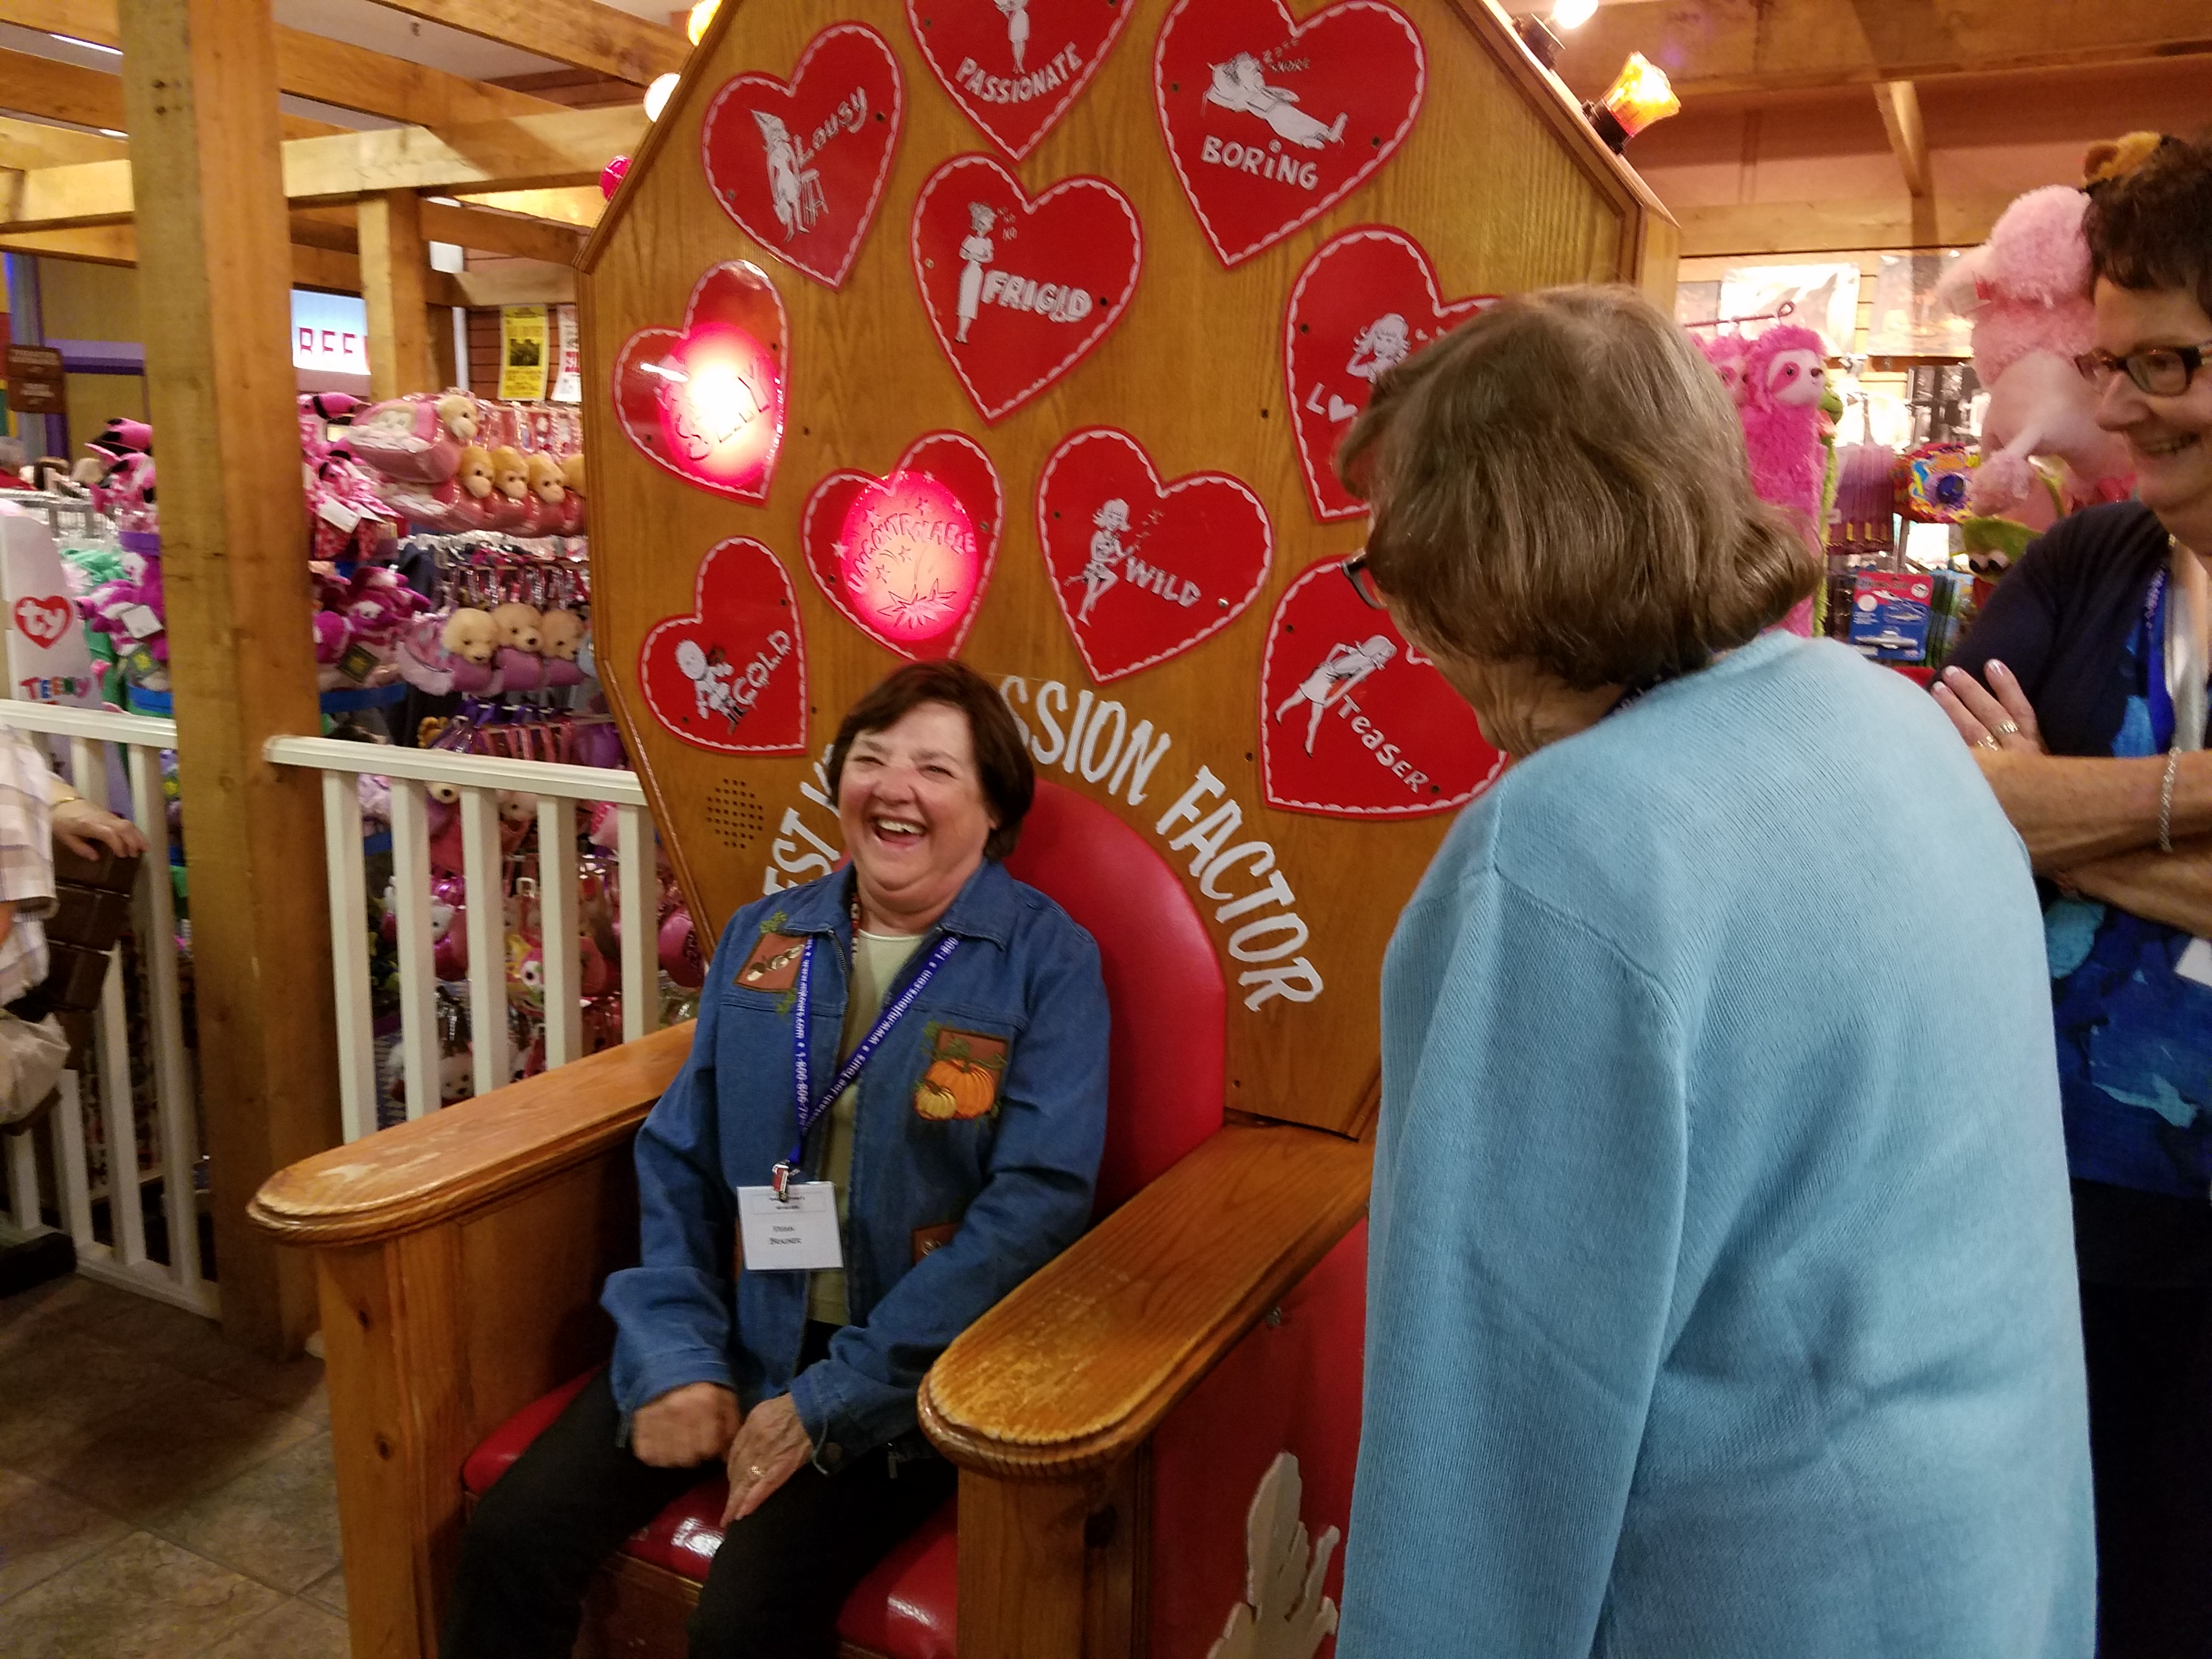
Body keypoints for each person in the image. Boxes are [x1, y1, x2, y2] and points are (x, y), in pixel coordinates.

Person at [1330, 286, 2094, 1657]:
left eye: (1393, 564)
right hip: (1991, 1562)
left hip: (1758, 1593)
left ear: (1476, 558)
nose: (1402, 626)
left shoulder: (1566, 853)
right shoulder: (1888, 722)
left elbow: (1490, 1433)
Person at [442, 659, 1110, 1659]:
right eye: (872, 759)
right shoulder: (769, 933)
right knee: (512, 1538)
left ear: (994, 810)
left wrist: (833, 1398)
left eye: (936, 769)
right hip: (742, 1319)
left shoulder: (1048, 962)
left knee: (742, 1627)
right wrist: (676, 1350)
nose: (893, 787)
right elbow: (680, 1155)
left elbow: (1037, 1208)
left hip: (904, 1366)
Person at [1933, 136, 2212, 1658]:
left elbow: (2013, 813)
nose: (2116, 408)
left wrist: (2055, 818)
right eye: (2108, 361)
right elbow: (1947, 802)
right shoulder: (2089, 563)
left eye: (2167, 363)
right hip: (2060, 1211)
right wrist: (2186, 799)